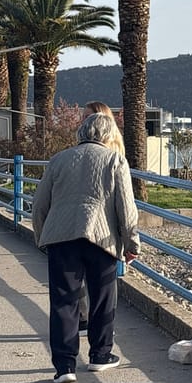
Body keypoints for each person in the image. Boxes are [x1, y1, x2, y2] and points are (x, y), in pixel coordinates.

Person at [32, 113, 140, 383]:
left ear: (81, 133)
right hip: (101, 238)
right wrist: (131, 243)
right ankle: (100, 355)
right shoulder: (115, 160)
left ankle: (65, 366)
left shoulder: (58, 159)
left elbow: (40, 204)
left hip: (61, 238)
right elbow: (126, 208)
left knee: (63, 302)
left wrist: (42, 237)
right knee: (103, 298)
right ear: (108, 135)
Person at [76, 101, 126, 336]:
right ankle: (97, 339)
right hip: (81, 224)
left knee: (99, 285)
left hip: (103, 226)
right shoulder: (79, 150)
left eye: (89, 117)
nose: (84, 122)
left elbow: (123, 199)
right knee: (86, 282)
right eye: (83, 117)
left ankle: (95, 330)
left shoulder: (115, 155)